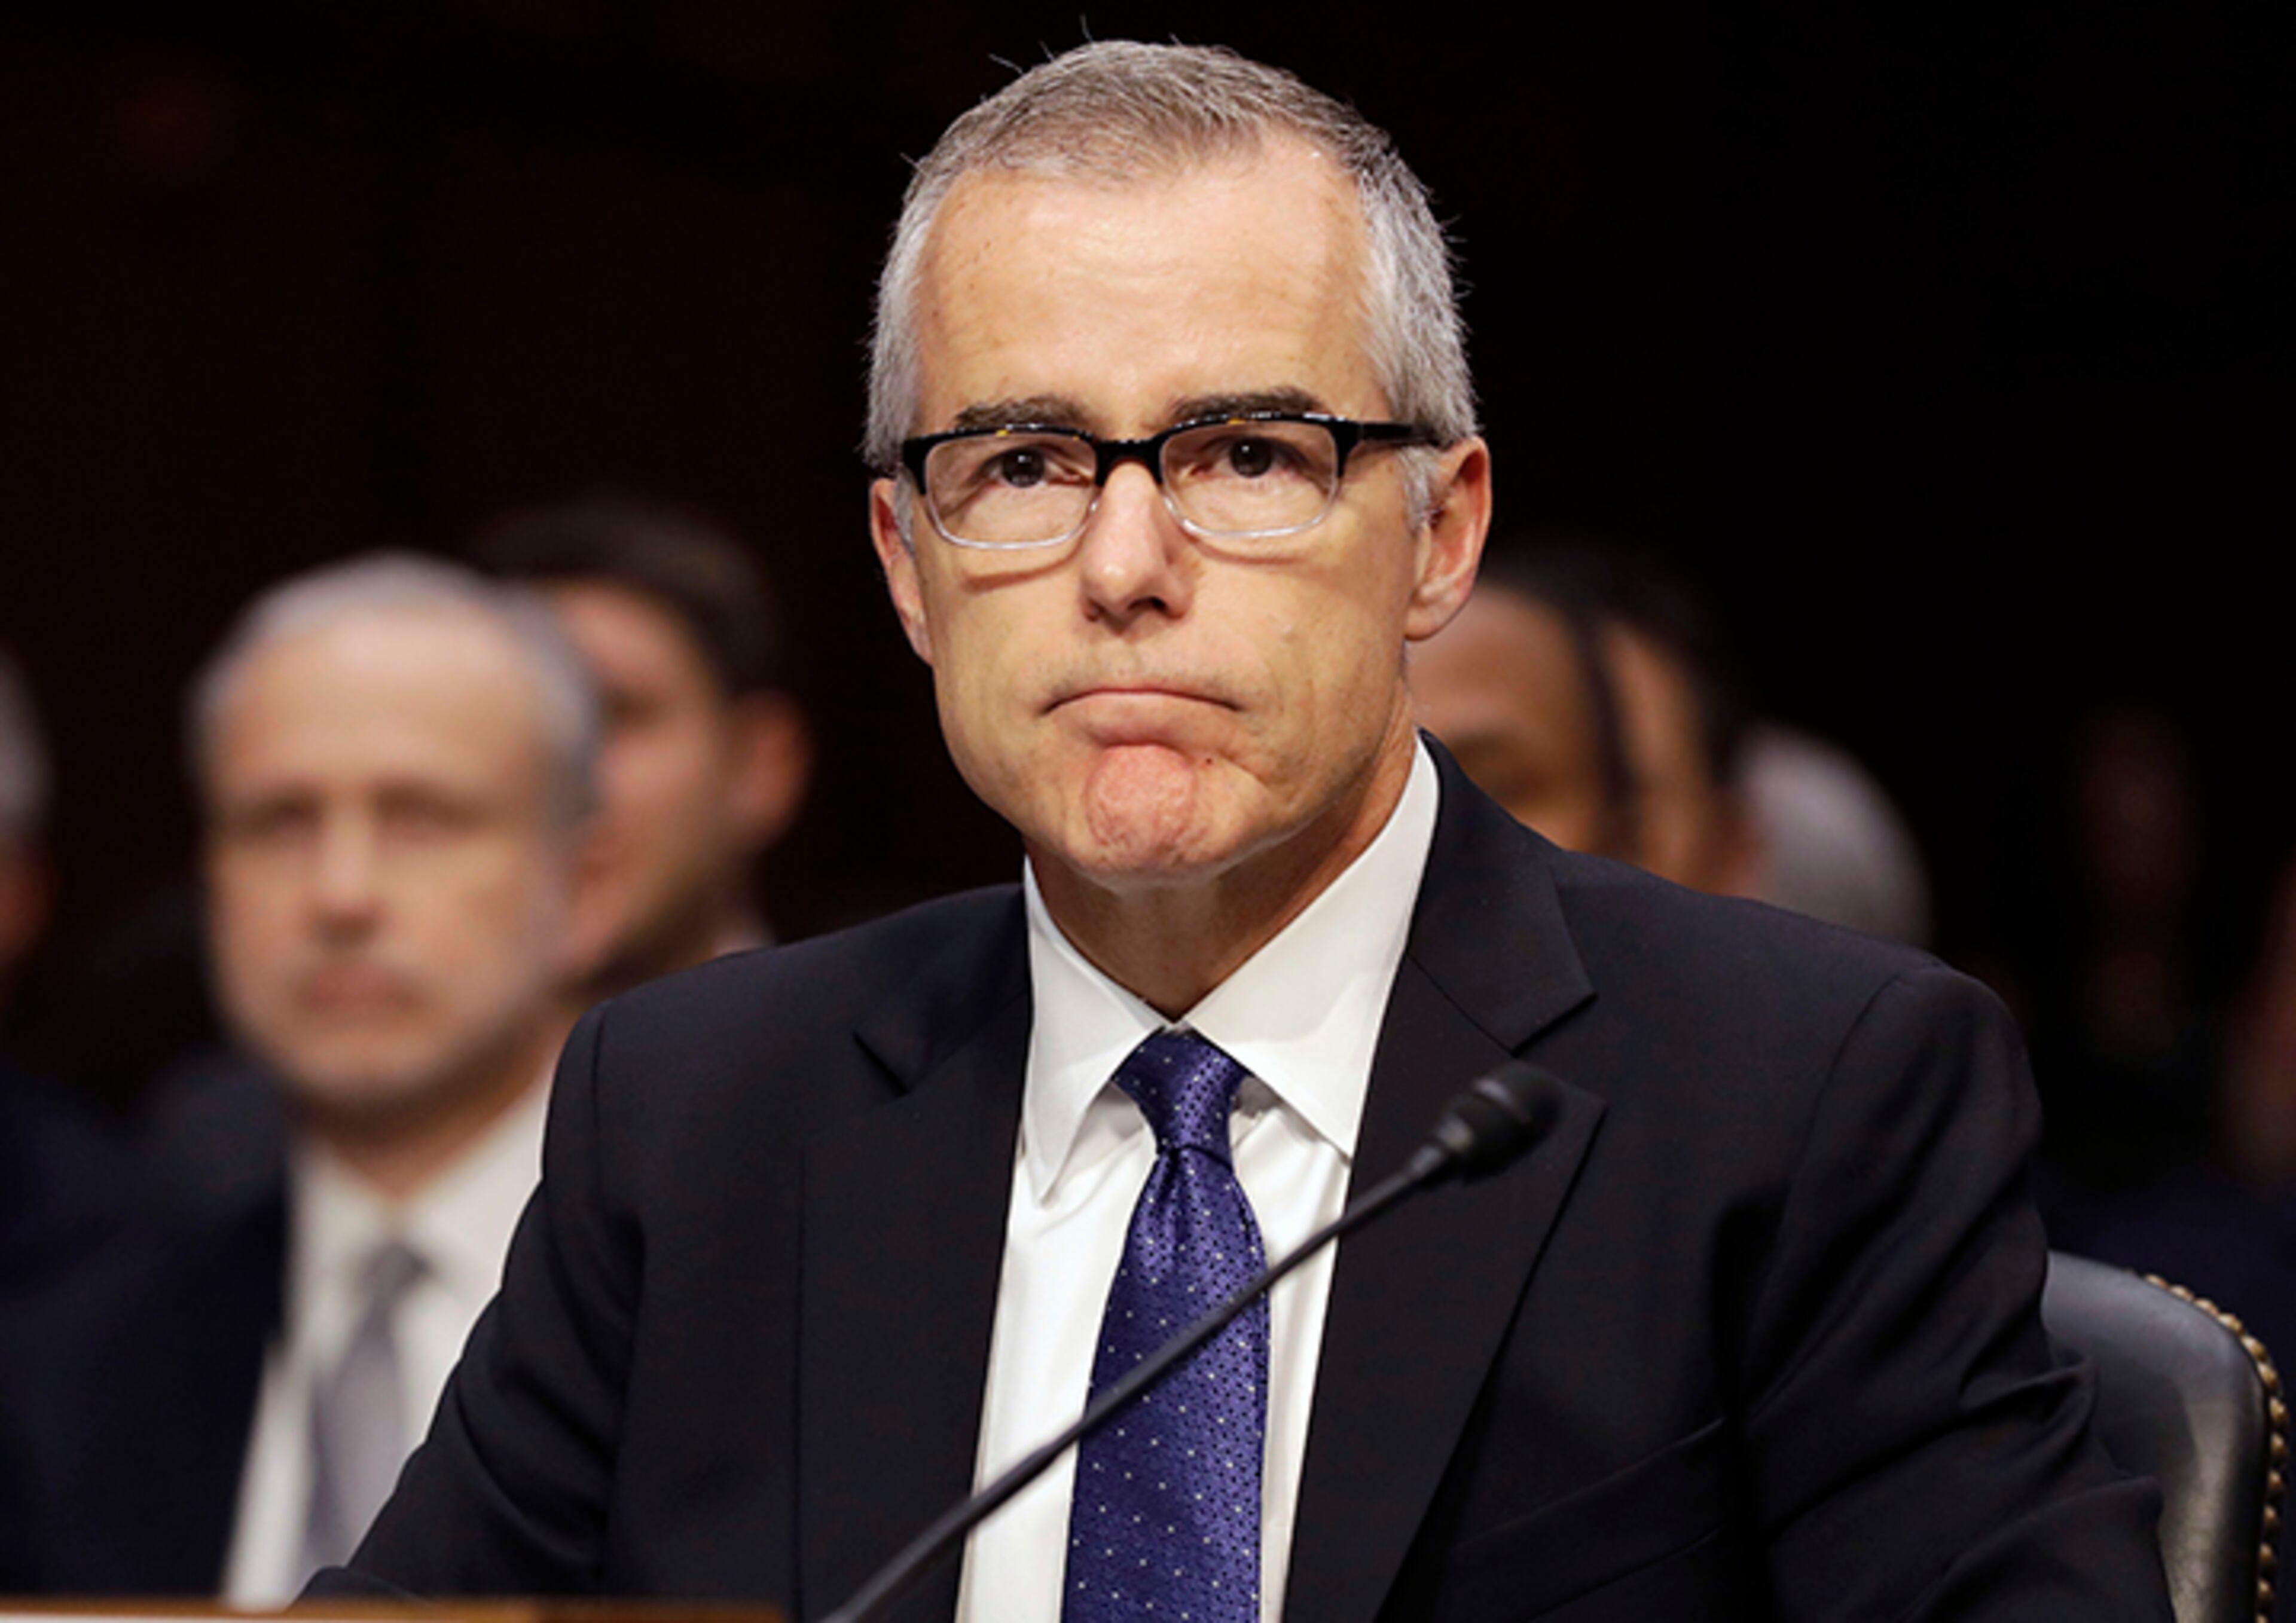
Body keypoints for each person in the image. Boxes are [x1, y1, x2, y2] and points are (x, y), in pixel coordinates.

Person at [323, 42, 2169, 1621]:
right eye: (1025, 464)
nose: (1124, 568)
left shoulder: (1800, 1092)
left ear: (1440, 533)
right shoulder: (700, 1111)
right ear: (906, 562)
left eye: (1245, 456)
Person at [2, 556, 608, 1600]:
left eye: (422, 818)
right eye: (278, 823)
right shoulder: (68, 1362)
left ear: (583, 881)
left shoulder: (729, 1324)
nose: (340, 894)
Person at [474, 496, 812, 998]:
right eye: (522, 724)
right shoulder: (362, 1068)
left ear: (759, 766)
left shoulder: (896, 1056)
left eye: (613, 713)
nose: (564, 775)